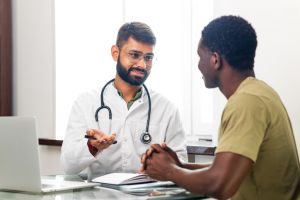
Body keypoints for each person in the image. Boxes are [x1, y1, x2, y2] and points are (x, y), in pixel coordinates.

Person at [140, 15, 300, 200]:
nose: (198, 65)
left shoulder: (246, 102)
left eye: (200, 57)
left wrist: (169, 171)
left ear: (215, 59)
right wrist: (180, 166)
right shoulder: (260, 92)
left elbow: (219, 184)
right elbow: (224, 170)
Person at [61, 22, 187, 180]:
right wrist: (91, 148)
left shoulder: (167, 109)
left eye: (148, 58)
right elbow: (68, 166)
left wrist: (164, 165)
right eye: (134, 55)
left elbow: (181, 164)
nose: (142, 65)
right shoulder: (85, 103)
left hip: (148, 195)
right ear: (115, 53)